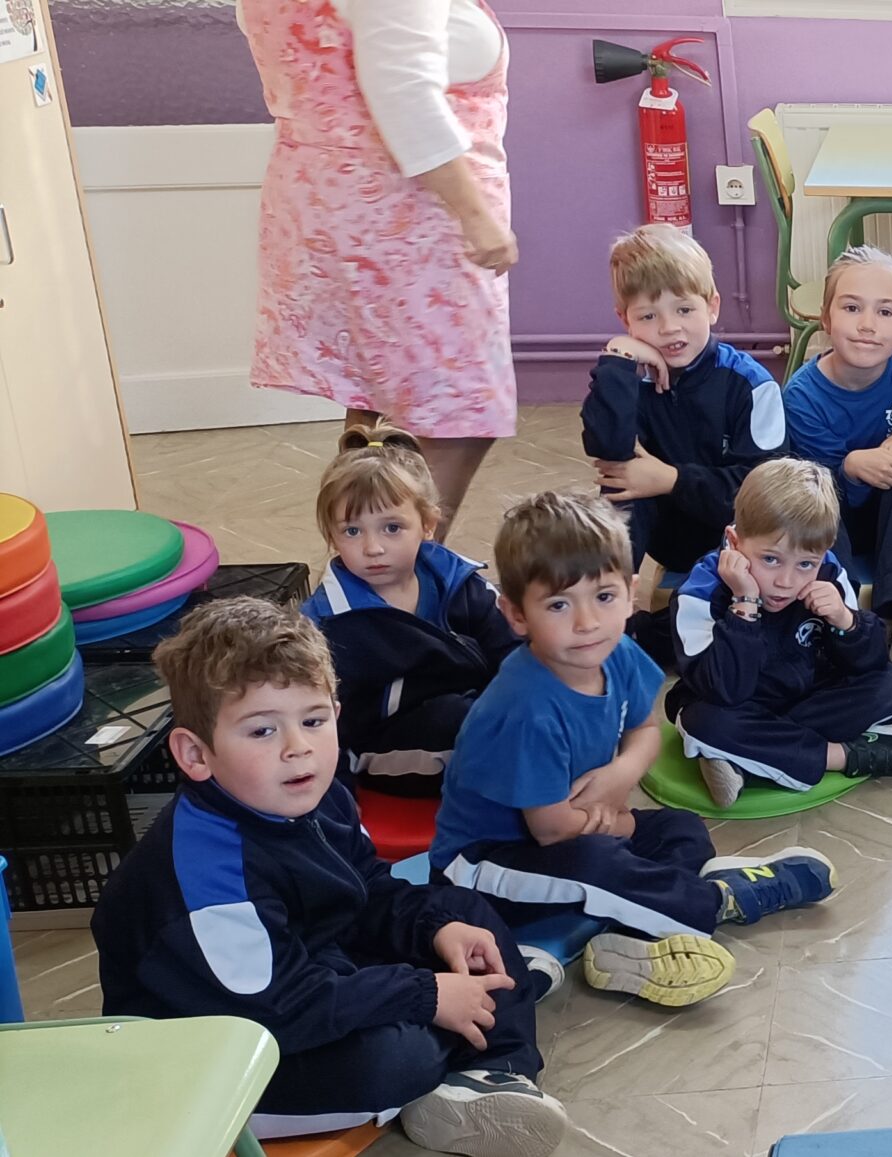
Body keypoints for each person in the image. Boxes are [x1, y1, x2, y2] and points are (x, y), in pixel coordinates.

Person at [92, 599, 567, 1157]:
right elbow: (278, 1009)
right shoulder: (205, 870)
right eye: (262, 730)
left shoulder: (317, 796)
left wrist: (437, 932)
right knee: (396, 1057)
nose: (298, 748)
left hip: (314, 970)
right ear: (196, 754)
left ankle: (499, 1071)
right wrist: (424, 993)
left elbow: (369, 889)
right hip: (217, 1053)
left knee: (464, 915)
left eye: (314, 721)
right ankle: (486, 1017)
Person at [429, 490, 836, 1008]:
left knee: (681, 830)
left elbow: (645, 730)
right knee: (603, 862)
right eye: (558, 604)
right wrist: (620, 824)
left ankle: (621, 943)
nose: (586, 623)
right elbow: (551, 829)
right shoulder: (525, 708)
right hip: (487, 866)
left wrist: (620, 775)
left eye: (603, 597)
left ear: (629, 594)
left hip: (576, 829)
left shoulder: (619, 653)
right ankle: (721, 900)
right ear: (516, 614)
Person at [240, 0, 517, 536]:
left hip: (332, 205)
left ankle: (361, 561)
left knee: (375, 402)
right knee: (456, 412)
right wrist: (477, 217)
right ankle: (400, 570)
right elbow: (403, 92)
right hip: (405, 223)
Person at [667, 459, 892, 808]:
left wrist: (845, 620)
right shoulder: (700, 591)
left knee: (891, 684)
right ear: (734, 541)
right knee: (703, 723)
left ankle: (748, 758)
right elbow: (725, 689)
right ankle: (846, 755)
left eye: (806, 564)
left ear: (824, 552)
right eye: (770, 560)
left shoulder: (829, 573)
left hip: (806, 698)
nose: (786, 581)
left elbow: (870, 662)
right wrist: (745, 602)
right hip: (736, 704)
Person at [302, 425, 519, 798]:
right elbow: (311, 717)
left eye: (392, 528)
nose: (373, 548)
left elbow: (512, 650)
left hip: (471, 710)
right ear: (331, 536)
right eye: (352, 531)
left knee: (541, 693)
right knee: (474, 725)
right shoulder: (327, 624)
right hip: (385, 746)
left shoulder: (459, 580)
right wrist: (337, 797)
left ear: (428, 524)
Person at [781, 246, 892, 694]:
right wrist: (851, 465)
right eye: (852, 308)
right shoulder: (801, 395)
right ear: (825, 318)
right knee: (815, 498)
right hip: (837, 514)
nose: (867, 325)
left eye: (885, 311)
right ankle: (840, 619)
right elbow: (811, 484)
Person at [580, 224, 785, 577]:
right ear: (625, 320)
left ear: (712, 307)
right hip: (669, 537)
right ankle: (608, 595)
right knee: (620, 481)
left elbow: (765, 494)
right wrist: (618, 358)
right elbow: (608, 448)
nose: (669, 327)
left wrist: (672, 479)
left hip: (741, 540)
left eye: (684, 310)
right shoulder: (633, 378)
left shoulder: (752, 384)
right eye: (648, 316)